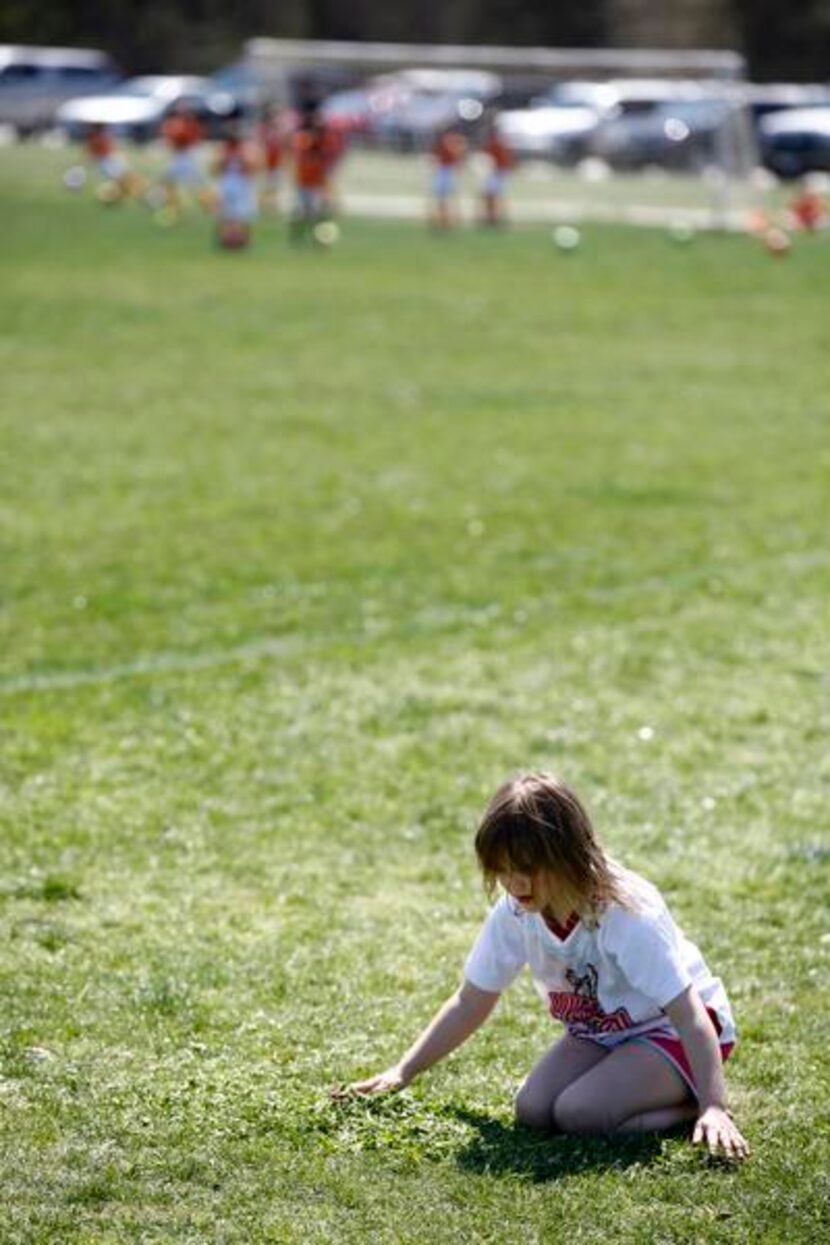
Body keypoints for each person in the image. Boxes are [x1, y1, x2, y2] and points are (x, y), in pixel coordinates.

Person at [337, 772, 749, 1161]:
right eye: (503, 871)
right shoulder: (516, 913)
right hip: (601, 1031)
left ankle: (693, 1107)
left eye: (529, 869)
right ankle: (655, 1092)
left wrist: (714, 1104)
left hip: (672, 1031)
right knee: (533, 1110)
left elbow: (690, 1014)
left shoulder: (626, 914)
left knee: (579, 1114)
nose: (516, 885)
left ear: (568, 854)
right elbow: (471, 1001)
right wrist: (403, 1071)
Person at [213, 122, 259, 249]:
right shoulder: (223, 150)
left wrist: (242, 159)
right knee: (227, 214)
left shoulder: (246, 150)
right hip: (228, 183)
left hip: (242, 184)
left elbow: (252, 168)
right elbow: (216, 168)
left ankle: (242, 240)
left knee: (242, 214)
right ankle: (226, 240)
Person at [160, 104, 208, 213]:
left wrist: (173, 131)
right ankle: (173, 206)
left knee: (195, 185)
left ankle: (210, 204)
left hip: (186, 156)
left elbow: (181, 138)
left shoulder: (189, 125)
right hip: (180, 156)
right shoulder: (182, 124)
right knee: (168, 181)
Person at [429, 125, 467, 230]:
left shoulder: (451, 142)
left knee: (447, 197)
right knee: (442, 198)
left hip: (447, 170)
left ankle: (448, 220)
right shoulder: (447, 142)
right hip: (443, 170)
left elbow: (457, 154)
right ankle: (443, 220)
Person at [479, 123, 515, 227]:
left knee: (492, 196)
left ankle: (494, 217)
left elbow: (493, 160)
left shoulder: (495, 143)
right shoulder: (500, 143)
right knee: (494, 196)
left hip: (496, 172)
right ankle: (494, 217)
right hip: (498, 172)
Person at [258, 104, 286, 213]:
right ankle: (265, 204)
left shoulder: (279, 131)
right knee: (267, 185)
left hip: (276, 162)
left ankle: (272, 204)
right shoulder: (264, 130)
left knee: (274, 185)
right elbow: (261, 145)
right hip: (266, 162)